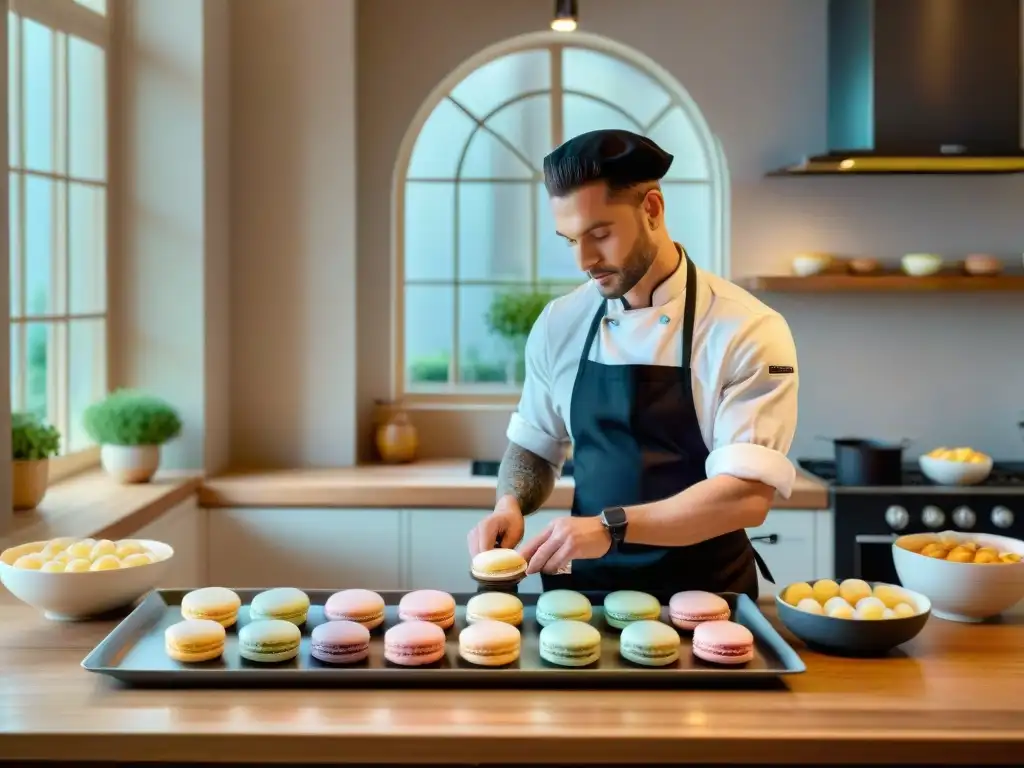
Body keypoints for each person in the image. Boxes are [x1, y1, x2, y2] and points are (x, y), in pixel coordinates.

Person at [465, 128, 799, 599]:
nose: (584, 260)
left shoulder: (746, 330)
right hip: (582, 601)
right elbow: (535, 448)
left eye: (600, 234)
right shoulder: (560, 323)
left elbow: (745, 497)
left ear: (652, 210)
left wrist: (608, 528)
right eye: (570, 240)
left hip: (704, 600)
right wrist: (509, 504)